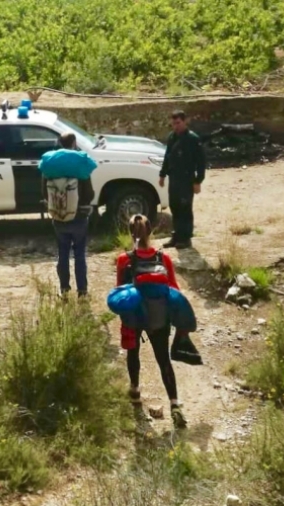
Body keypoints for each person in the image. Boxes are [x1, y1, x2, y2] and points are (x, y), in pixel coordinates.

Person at [115, 214, 188, 429]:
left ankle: (135, 391)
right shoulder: (163, 258)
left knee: (133, 352)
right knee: (163, 359)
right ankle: (175, 405)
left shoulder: (123, 260)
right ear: (150, 232)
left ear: (130, 233)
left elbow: (120, 290)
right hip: (159, 316)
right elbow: (174, 289)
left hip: (135, 315)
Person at [39, 132, 97, 297]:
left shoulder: (49, 164)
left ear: (60, 143)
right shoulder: (80, 162)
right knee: (79, 255)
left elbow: (44, 192)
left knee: (62, 253)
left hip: (58, 217)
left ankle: (64, 289)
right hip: (78, 217)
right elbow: (90, 194)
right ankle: (82, 291)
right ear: (74, 142)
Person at [158, 110, 207, 250]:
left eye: (178, 123)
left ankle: (185, 238)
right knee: (175, 207)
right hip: (174, 179)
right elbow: (167, 157)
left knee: (185, 208)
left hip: (187, 179)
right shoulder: (172, 137)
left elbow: (201, 162)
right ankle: (177, 236)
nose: (176, 126)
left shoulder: (193, 139)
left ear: (185, 122)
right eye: (173, 124)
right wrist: (162, 175)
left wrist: (198, 181)